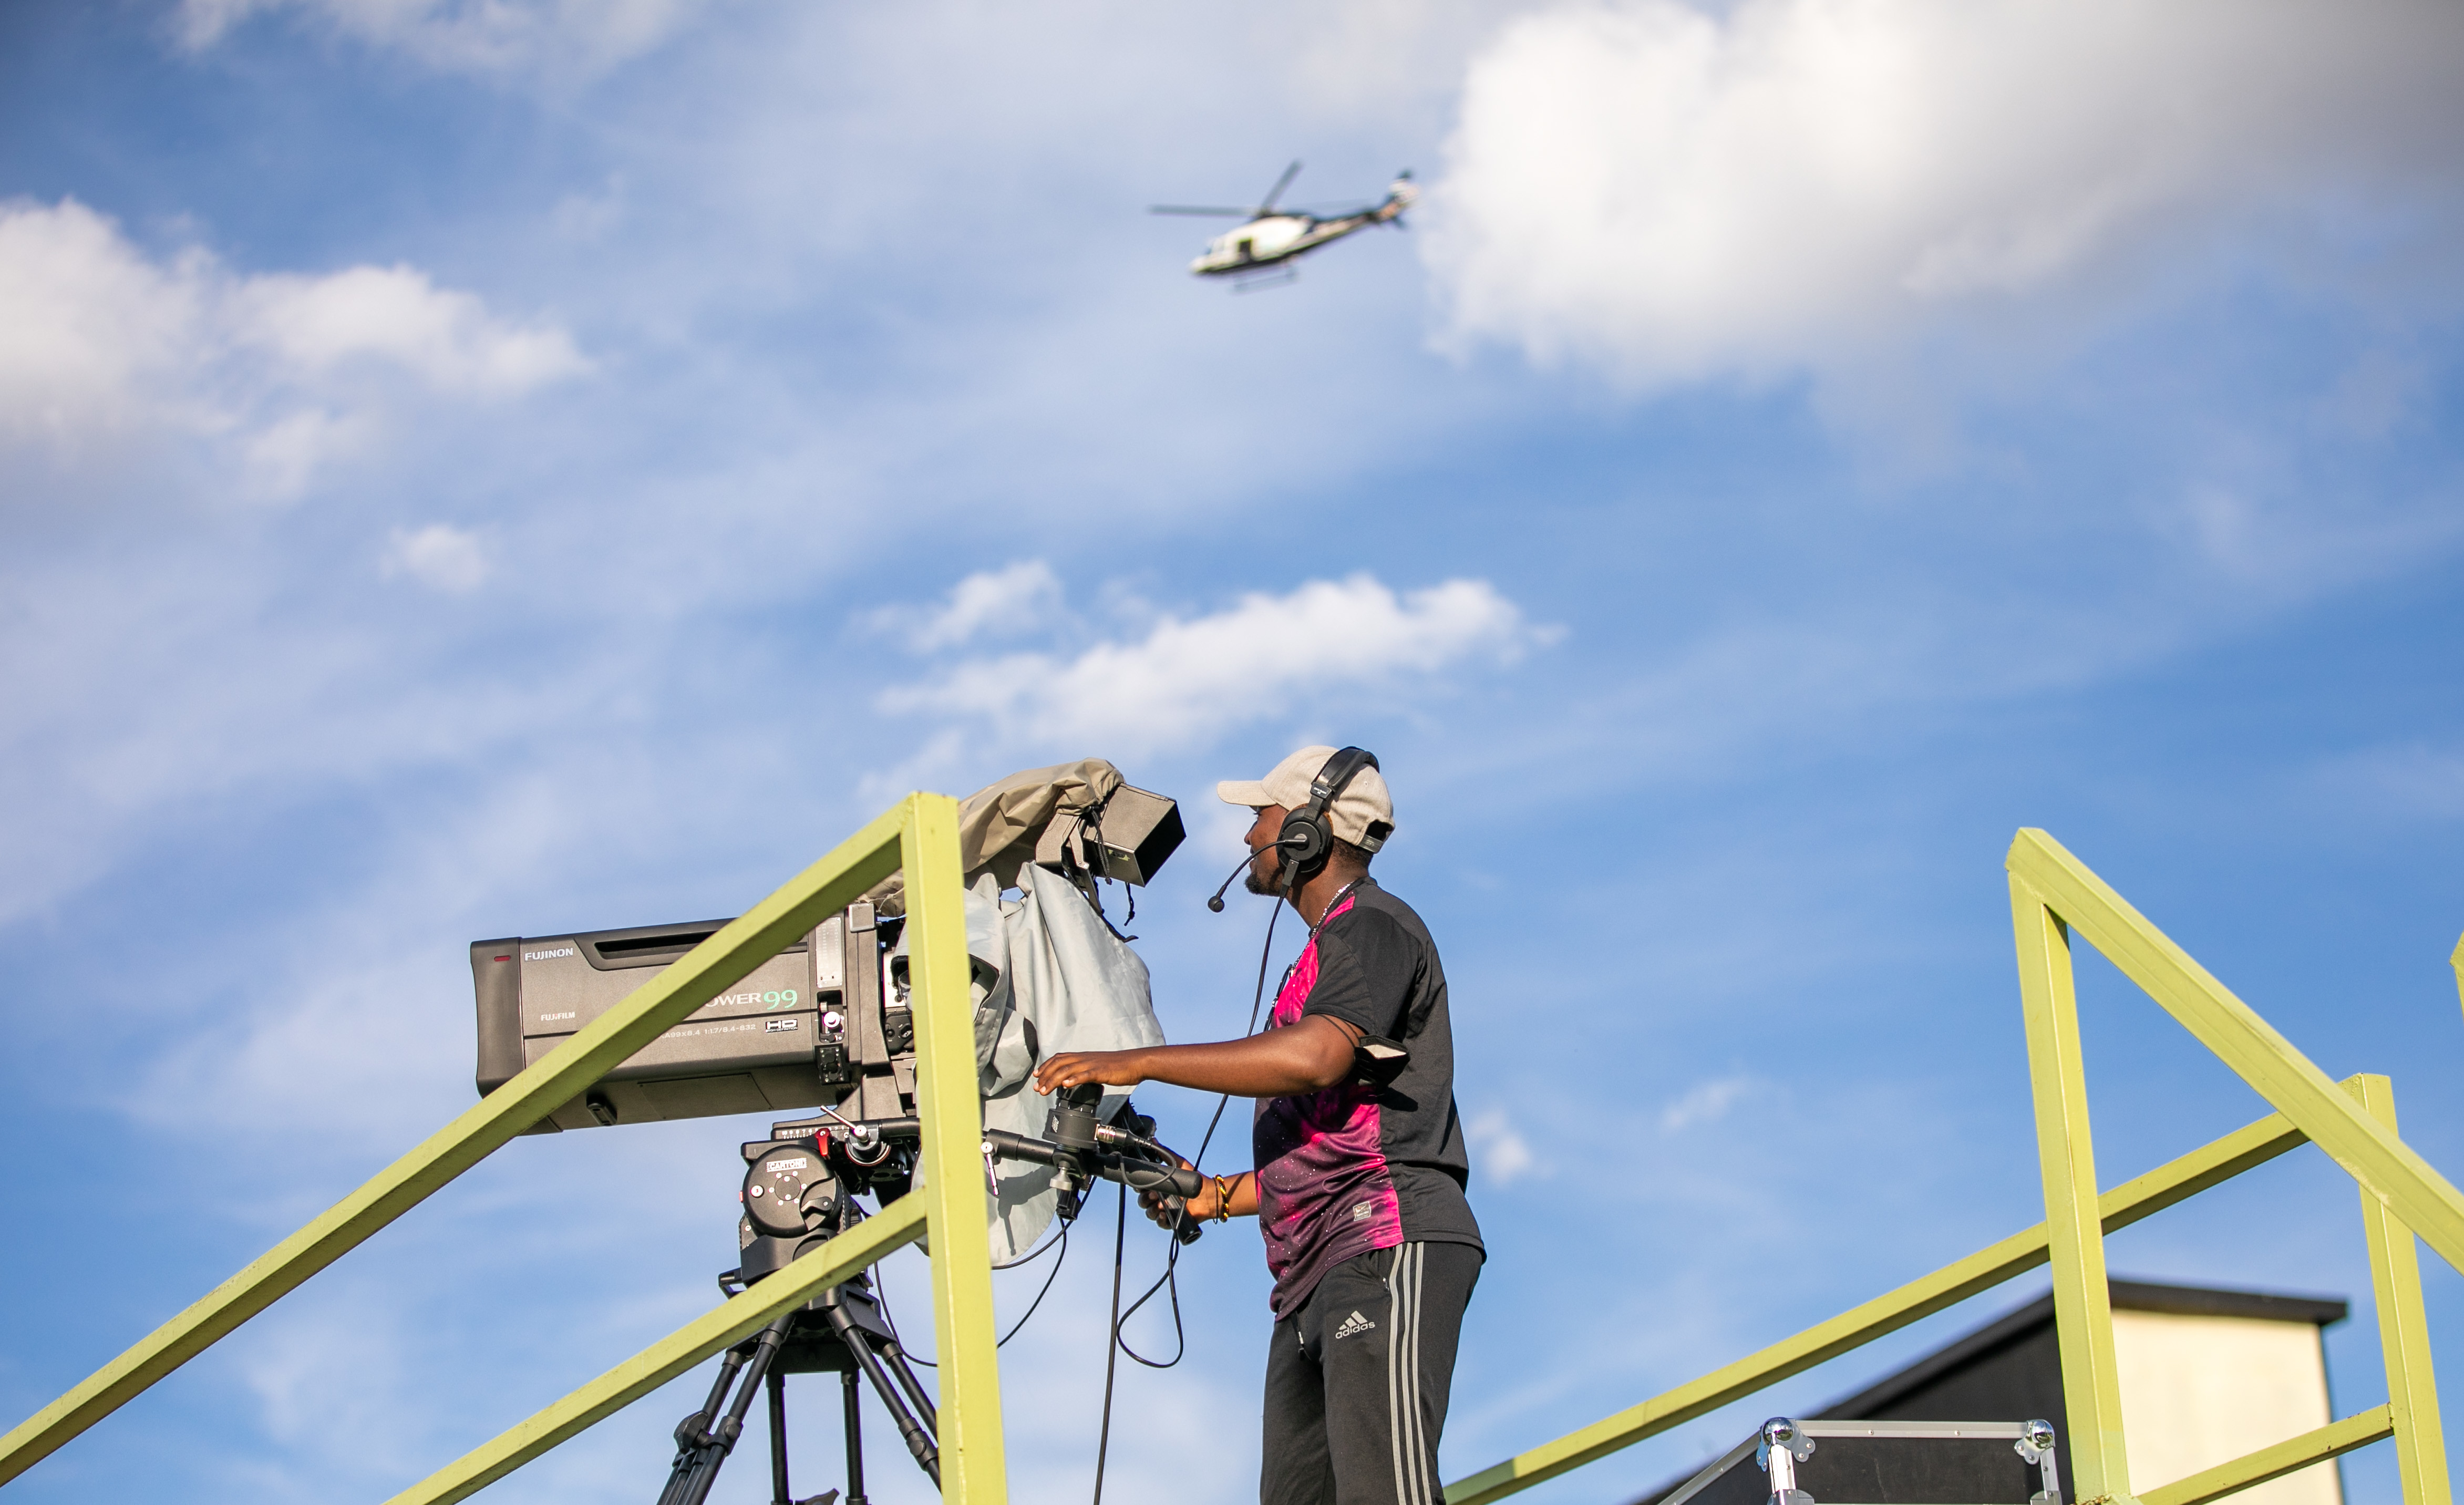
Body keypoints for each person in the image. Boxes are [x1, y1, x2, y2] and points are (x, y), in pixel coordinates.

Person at [1034, 746, 1483, 1505]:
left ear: (1307, 830)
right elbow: (1334, 1133)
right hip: (1314, 1274)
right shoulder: (1333, 947)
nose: (1248, 837)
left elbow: (1315, 1058)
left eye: (1259, 817)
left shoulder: (1372, 929)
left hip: (1382, 1241)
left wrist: (1135, 1062)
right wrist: (1214, 1195)